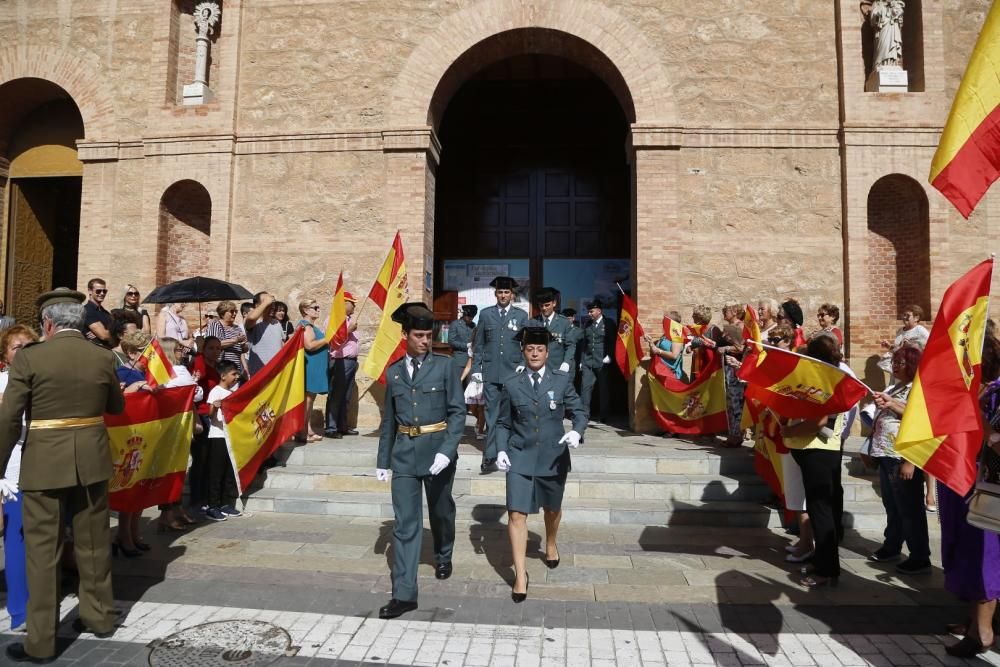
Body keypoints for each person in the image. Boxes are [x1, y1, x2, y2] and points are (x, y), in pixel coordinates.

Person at [0, 288, 124, 662]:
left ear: (48, 324)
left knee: (43, 552)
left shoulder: (30, 359)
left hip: (44, 464)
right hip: (92, 460)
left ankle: (41, 642)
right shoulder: (102, 357)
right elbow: (116, 407)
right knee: (93, 544)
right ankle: (99, 617)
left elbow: (9, 418)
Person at [375, 303, 464, 620]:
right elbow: (389, 420)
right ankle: (404, 594)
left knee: (441, 511)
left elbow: (457, 412)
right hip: (404, 454)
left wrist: (448, 449)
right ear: (405, 336)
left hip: (438, 451)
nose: (425, 341)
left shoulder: (445, 367)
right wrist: (383, 460)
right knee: (405, 525)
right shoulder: (394, 371)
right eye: (419, 335)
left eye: (429, 335)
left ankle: (443, 554)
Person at [494, 327, 587, 602]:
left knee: (552, 509)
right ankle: (520, 575)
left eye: (540, 349)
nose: (534, 353)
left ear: (547, 352)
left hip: (552, 456)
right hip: (520, 456)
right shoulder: (512, 383)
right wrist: (500, 449)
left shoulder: (561, 380)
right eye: (530, 349)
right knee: (516, 514)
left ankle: (550, 542)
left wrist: (577, 431)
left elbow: (579, 411)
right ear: (523, 352)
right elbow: (502, 422)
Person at [939, 334, 1000, 657]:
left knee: (985, 560)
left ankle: (983, 633)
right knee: (970, 555)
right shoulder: (981, 391)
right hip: (968, 484)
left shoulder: (997, 393)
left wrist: (986, 429)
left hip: (990, 490)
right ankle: (974, 624)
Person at [780, 335, 845, 588]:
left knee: (821, 510)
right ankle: (822, 560)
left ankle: (827, 570)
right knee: (821, 510)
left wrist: (792, 432)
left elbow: (819, 422)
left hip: (819, 450)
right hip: (818, 450)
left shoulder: (827, 380)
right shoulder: (832, 377)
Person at [866, 345, 930, 574]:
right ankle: (892, 545)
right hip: (885, 453)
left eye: (900, 362)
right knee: (892, 505)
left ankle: (920, 556)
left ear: (912, 364)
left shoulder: (918, 389)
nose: (894, 366)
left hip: (901, 455)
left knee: (910, 508)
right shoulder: (896, 386)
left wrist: (910, 461)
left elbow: (918, 419)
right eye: (894, 361)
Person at [0, 325, 39, 633]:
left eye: (29, 345)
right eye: (16, 347)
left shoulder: (44, 384)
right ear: (5, 354)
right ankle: (19, 611)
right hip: (12, 473)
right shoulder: (1, 383)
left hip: (46, 470)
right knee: (17, 540)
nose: (23, 350)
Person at [472, 277, 528, 472]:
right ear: (495, 294)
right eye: (500, 292)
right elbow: (478, 345)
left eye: (506, 292)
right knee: (492, 415)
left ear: (512, 294)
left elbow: (526, 346)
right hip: (491, 373)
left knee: (514, 413)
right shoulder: (486, 314)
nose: (503, 295)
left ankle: (511, 451)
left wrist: (523, 364)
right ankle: (490, 455)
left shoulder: (521, 316)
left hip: (513, 373)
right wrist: (476, 370)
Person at [113, 331, 155, 556]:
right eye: (144, 352)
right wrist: (135, 390)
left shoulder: (151, 373)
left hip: (146, 436)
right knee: (128, 489)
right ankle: (124, 535)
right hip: (129, 439)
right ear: (131, 353)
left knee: (140, 490)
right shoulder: (122, 373)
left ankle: (135, 532)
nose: (149, 356)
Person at [155, 337, 203, 530]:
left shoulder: (164, 373)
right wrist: (195, 384)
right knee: (173, 471)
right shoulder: (177, 371)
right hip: (175, 426)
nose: (182, 352)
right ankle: (167, 512)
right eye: (177, 349)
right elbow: (196, 393)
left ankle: (175, 508)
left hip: (175, 425)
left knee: (177, 470)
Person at [205, 361, 242, 522]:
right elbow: (210, 415)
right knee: (216, 472)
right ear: (223, 375)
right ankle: (212, 506)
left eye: (236, 374)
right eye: (233, 374)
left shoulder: (232, 393)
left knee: (228, 471)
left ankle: (226, 504)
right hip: (218, 436)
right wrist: (214, 406)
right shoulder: (216, 391)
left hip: (230, 437)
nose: (236, 377)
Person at [190, 336, 222, 516]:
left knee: (209, 458)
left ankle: (206, 496)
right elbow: (198, 374)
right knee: (200, 459)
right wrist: (200, 352)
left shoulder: (217, 368)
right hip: (201, 415)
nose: (216, 351)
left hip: (213, 416)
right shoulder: (200, 363)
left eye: (218, 348)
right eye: (211, 348)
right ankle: (196, 499)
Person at [325, 291, 360, 438]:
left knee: (346, 396)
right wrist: (348, 331)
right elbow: (332, 340)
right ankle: (331, 428)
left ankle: (342, 426)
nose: (354, 307)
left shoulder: (349, 319)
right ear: (344, 304)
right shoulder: (334, 319)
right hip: (340, 360)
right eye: (352, 304)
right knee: (336, 394)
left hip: (350, 361)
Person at [579, 297, 616, 424]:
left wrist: (609, 356)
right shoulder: (588, 324)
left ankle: (604, 415)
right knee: (585, 387)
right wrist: (581, 360)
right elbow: (585, 343)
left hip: (602, 360)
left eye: (591, 311)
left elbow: (612, 342)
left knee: (603, 389)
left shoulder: (608, 323)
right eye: (589, 312)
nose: (589, 314)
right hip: (588, 361)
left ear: (599, 311)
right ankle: (584, 414)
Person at [298, 299, 330, 442]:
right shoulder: (306, 326)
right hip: (310, 366)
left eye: (318, 307)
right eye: (314, 307)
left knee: (310, 399)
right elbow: (309, 345)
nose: (318, 309)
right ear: (305, 310)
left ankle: (308, 429)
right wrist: (327, 339)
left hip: (315, 366)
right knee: (307, 400)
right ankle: (301, 431)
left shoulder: (311, 326)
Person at [528, 287, 577, 374]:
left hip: (557, 368)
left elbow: (570, 345)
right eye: (541, 305)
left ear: (554, 303)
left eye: (547, 305)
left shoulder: (564, 323)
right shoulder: (533, 322)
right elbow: (526, 346)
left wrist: (566, 363)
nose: (544, 308)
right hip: (537, 369)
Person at [718, 303, 746, 447]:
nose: (723, 312)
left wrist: (727, 347)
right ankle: (733, 433)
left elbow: (741, 347)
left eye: (726, 310)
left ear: (735, 311)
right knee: (729, 401)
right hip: (727, 366)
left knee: (736, 401)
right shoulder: (728, 326)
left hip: (736, 367)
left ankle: (737, 434)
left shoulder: (740, 326)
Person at [245, 292, 284, 376]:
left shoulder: (277, 323)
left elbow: (281, 346)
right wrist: (266, 302)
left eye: (272, 303)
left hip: (276, 372)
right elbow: (251, 318)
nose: (272, 306)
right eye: (266, 302)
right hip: (259, 374)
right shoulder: (255, 322)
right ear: (256, 306)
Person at [207, 301, 248, 377]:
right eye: (232, 312)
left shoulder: (237, 328)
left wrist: (243, 345)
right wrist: (235, 340)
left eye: (236, 311)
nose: (235, 314)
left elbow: (243, 351)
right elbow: (213, 345)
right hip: (221, 370)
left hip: (236, 370)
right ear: (223, 313)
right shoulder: (216, 325)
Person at [645, 311, 685, 380]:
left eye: (665, 320)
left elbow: (674, 355)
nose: (663, 322)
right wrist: (650, 342)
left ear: (672, 322)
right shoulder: (665, 335)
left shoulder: (678, 336)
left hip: (670, 375)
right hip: (659, 372)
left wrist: (658, 351)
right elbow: (654, 352)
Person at [83, 277, 114, 349]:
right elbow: (103, 335)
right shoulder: (87, 310)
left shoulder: (106, 312)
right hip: (95, 352)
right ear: (90, 291)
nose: (102, 293)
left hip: (109, 351)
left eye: (104, 291)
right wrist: (120, 334)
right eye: (98, 291)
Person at [449, 304, 477, 380]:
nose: (470, 319)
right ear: (464, 314)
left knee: (469, 386)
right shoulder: (455, 324)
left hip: (471, 360)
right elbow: (451, 341)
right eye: (469, 316)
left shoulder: (474, 325)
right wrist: (466, 345)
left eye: (472, 317)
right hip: (459, 359)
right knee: (458, 383)